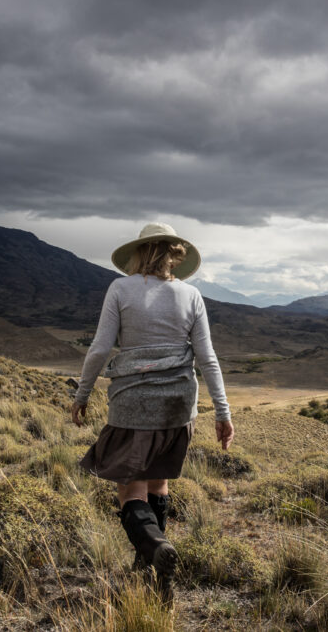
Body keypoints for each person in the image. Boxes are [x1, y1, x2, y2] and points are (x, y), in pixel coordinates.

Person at [70, 222, 234, 600]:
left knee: (129, 490)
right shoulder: (191, 295)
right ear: (176, 256)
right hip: (180, 409)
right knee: (158, 483)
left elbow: (99, 349)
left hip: (133, 404)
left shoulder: (120, 289)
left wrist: (82, 394)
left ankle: (155, 549)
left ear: (139, 252)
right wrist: (223, 413)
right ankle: (153, 571)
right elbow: (207, 358)